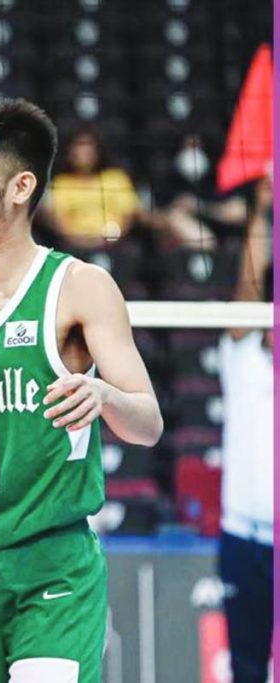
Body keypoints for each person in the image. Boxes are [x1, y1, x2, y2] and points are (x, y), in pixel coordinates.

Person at [0, 99, 163, 683]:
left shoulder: (80, 286)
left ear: (20, 187)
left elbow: (148, 422)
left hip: (53, 562)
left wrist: (107, 399)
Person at [218, 176, 272, 683]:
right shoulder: (242, 359)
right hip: (243, 538)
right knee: (247, 668)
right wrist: (262, 210)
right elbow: (247, 290)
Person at [44, 126, 142, 247]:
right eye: (79, 147)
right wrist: (82, 242)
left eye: (88, 148)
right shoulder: (61, 183)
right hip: (73, 246)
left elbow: (129, 215)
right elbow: (58, 221)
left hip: (115, 245)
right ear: (70, 153)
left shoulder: (116, 178)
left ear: (98, 151)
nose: (84, 154)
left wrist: (110, 239)